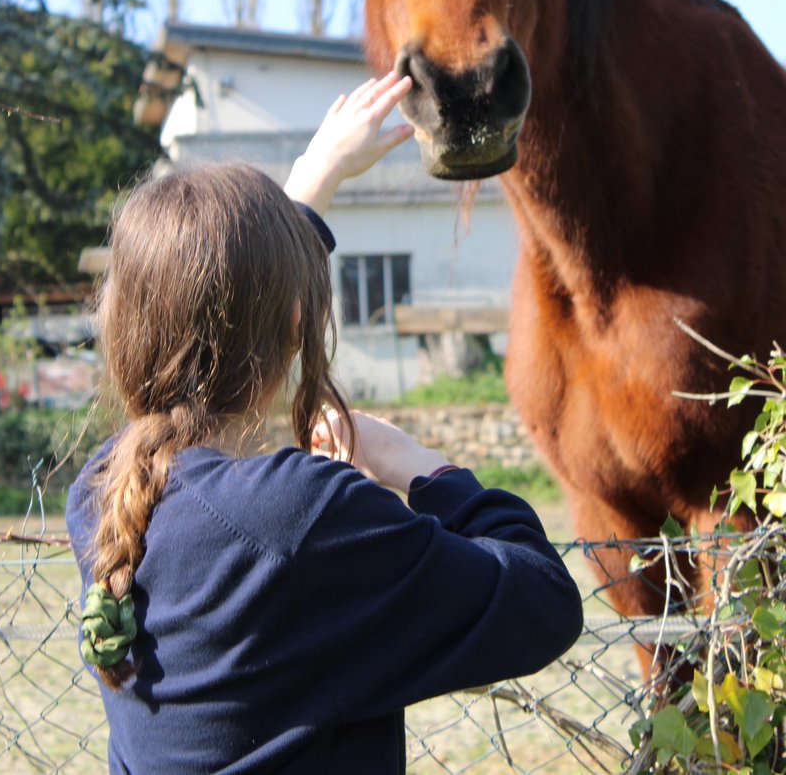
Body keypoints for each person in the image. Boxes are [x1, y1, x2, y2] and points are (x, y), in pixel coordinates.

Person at [66, 70, 583, 775]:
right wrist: (417, 463)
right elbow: (543, 600)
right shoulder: (303, 513)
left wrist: (315, 176)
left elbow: (228, 294)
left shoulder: (103, 491)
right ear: (295, 323)